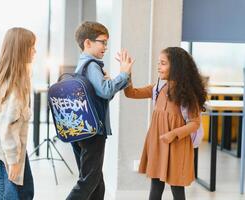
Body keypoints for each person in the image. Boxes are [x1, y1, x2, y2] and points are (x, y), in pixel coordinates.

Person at [124, 47, 207, 200]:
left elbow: (194, 123)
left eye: (163, 63)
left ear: (175, 67)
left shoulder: (188, 95)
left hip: (177, 145)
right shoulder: (158, 88)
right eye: (158, 63)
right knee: (155, 185)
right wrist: (127, 74)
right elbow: (131, 93)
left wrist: (173, 134)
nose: (158, 67)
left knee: (177, 188)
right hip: (158, 143)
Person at [66, 21, 134, 200]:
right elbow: (106, 90)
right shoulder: (93, 65)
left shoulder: (82, 65)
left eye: (107, 43)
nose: (106, 47)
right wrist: (124, 74)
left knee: (96, 181)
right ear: (87, 43)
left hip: (81, 130)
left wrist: (111, 83)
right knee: (89, 180)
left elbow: (102, 95)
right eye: (102, 42)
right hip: (93, 132)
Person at [0, 27, 36, 200]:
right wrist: (13, 161)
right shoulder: (13, 86)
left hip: (10, 152)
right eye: (32, 46)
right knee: (11, 196)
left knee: (24, 192)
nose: (35, 51)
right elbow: (6, 127)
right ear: (21, 49)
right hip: (7, 154)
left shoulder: (9, 77)